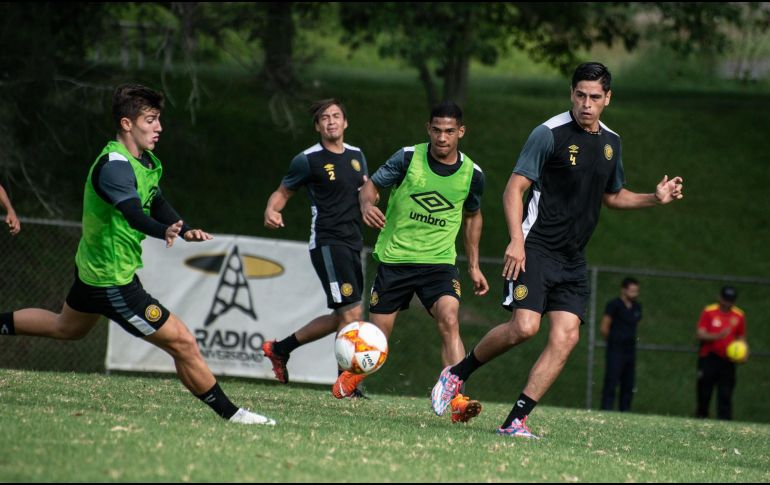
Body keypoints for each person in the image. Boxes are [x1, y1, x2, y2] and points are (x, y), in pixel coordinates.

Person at [431, 62, 684, 439]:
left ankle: (515, 420)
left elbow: (612, 197)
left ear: (607, 99)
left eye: (594, 97)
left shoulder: (612, 143)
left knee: (567, 336)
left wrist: (654, 197)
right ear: (571, 94)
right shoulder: (548, 134)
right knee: (524, 328)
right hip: (535, 248)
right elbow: (513, 189)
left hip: (573, 258)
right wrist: (516, 241)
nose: (586, 103)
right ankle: (456, 375)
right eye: (580, 95)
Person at [0, 84, 274, 425]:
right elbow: (133, 213)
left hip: (95, 268)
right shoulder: (114, 166)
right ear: (127, 124)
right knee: (184, 342)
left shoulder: (142, 161)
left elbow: (154, 199)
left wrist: (182, 226)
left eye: (158, 119)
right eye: (150, 119)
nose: (158, 127)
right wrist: (164, 232)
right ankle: (233, 415)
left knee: (65, 326)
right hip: (111, 279)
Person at [354, 101, 489, 423]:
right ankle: (352, 374)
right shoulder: (407, 158)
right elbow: (370, 187)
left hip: (439, 263)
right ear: (428, 129)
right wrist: (366, 205)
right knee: (377, 339)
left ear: (461, 132)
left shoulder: (473, 174)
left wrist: (473, 265)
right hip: (396, 259)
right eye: (437, 130)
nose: (442, 138)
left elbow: (473, 217)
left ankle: (456, 399)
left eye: (449, 131)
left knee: (449, 318)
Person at [261, 99, 369, 398]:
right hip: (327, 242)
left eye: (336, 116)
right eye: (325, 118)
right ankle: (346, 386)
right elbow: (283, 192)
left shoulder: (358, 156)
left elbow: (364, 193)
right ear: (317, 126)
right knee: (351, 314)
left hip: (352, 241)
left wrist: (370, 205)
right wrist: (272, 210)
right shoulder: (308, 159)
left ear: (345, 122)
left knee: (342, 316)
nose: (331, 121)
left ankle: (280, 349)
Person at [695, 285, 747, 420]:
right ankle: (701, 417)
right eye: (725, 299)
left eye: (731, 300)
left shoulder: (739, 315)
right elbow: (700, 334)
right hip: (709, 357)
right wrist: (718, 336)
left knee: (725, 393)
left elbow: (741, 338)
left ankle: (725, 421)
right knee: (704, 391)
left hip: (728, 360)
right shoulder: (709, 311)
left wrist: (744, 353)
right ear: (720, 298)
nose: (728, 302)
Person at [600, 277, 642, 412]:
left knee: (628, 383)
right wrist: (613, 341)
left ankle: (625, 410)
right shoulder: (614, 305)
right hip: (616, 349)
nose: (635, 293)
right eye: (632, 290)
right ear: (624, 290)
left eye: (636, 291)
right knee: (611, 380)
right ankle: (606, 409)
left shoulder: (637, 307)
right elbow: (604, 327)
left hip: (630, 350)